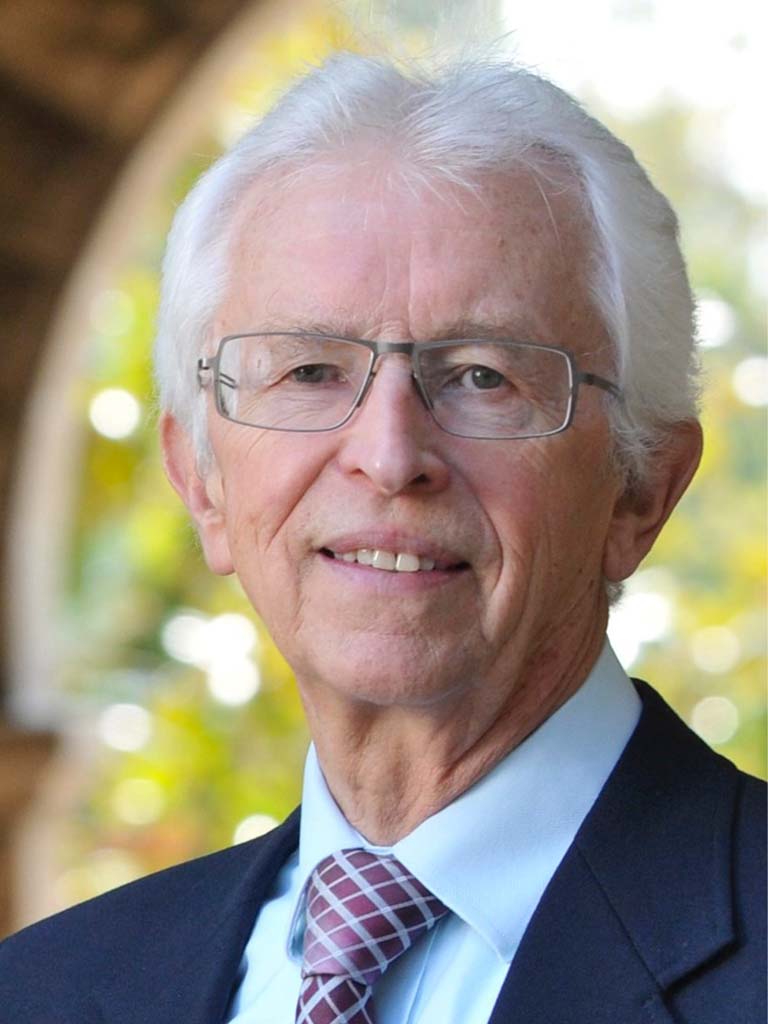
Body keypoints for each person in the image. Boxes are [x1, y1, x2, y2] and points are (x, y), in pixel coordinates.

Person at [0, 53, 764, 1024]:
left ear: (642, 487)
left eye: (485, 375)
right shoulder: (39, 994)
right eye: (311, 370)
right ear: (202, 480)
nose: (390, 453)